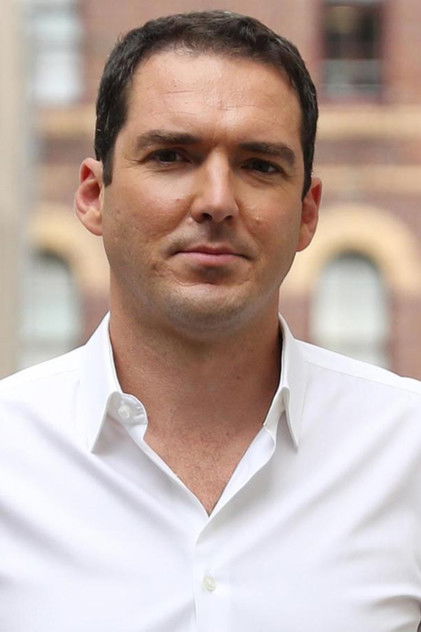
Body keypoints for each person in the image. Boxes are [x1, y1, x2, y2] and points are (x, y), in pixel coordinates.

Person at [1, 10, 420, 632]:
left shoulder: (407, 451)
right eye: (171, 156)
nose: (218, 202)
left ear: (307, 214)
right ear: (94, 195)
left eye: (260, 165)